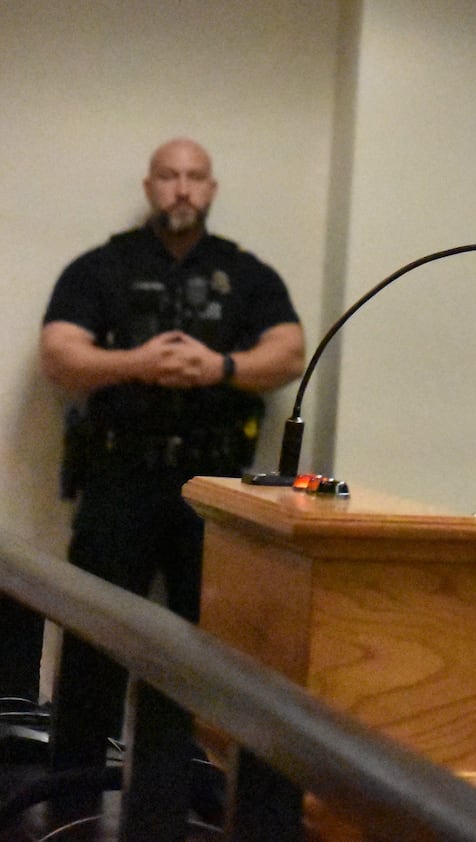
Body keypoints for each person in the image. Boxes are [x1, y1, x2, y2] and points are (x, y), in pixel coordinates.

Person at [39, 137, 304, 782]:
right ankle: (72, 786)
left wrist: (220, 366)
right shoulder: (101, 267)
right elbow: (59, 352)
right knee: (96, 633)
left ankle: (205, 783)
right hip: (119, 477)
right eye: (168, 176)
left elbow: (290, 351)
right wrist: (139, 362)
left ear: (211, 189)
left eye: (195, 177)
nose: (182, 188)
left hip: (215, 489)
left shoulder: (247, 274)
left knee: (216, 642)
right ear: (149, 186)